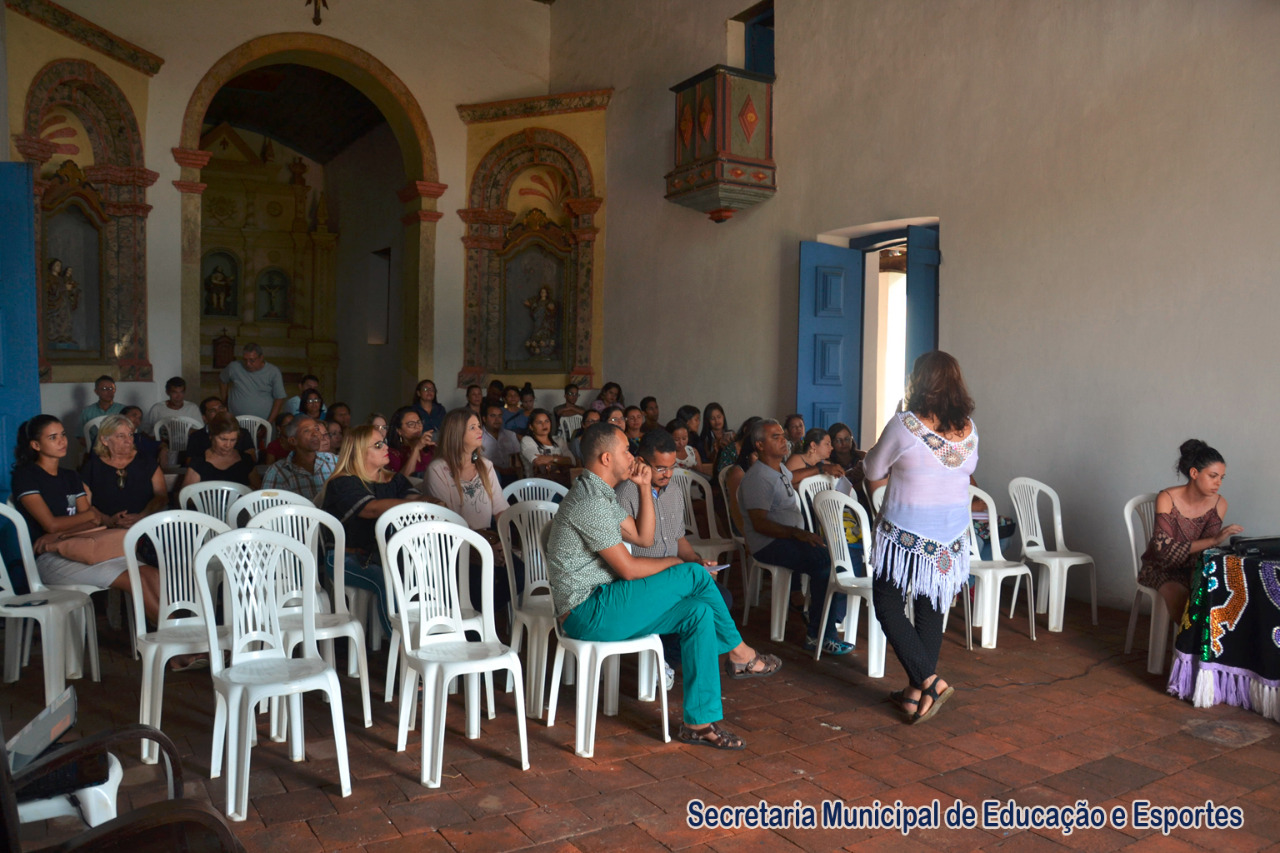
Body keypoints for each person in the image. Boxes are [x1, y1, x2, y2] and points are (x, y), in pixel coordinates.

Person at [546, 422, 780, 751]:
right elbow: (628, 569)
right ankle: (741, 653)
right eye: (627, 450)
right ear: (606, 457)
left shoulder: (601, 494)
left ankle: (698, 723)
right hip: (588, 611)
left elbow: (644, 537)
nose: (632, 456)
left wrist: (643, 487)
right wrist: (682, 565)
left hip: (608, 603)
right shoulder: (589, 501)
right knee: (694, 574)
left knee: (697, 613)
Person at [863, 350, 977, 725]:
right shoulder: (970, 431)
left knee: (887, 604)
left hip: (906, 533)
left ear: (919, 382)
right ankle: (914, 695)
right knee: (931, 608)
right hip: (951, 535)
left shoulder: (905, 425)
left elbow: (873, 467)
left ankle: (929, 681)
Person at [10, 416, 160, 621]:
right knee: (134, 579)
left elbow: (92, 521)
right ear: (36, 445)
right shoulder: (26, 477)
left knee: (152, 574)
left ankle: (177, 637)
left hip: (84, 547)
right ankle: (178, 645)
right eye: (53, 437)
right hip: (50, 558)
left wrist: (65, 530)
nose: (62, 441)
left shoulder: (70, 476)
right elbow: (50, 524)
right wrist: (87, 516)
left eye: (63, 435)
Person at [738, 418, 850, 655]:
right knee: (823, 562)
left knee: (834, 558)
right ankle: (820, 634)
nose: (783, 440)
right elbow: (760, 524)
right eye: (775, 437)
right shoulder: (758, 477)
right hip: (769, 544)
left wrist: (820, 468)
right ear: (759, 445)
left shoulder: (779, 470)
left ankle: (822, 627)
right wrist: (797, 533)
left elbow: (794, 477)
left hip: (786, 538)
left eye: (782, 435)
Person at [321, 425, 432, 638]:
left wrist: (433, 502)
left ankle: (430, 633)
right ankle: (402, 644)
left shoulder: (394, 478)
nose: (386, 447)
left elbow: (414, 499)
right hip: (346, 557)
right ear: (359, 452)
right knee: (387, 580)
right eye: (378, 445)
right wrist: (416, 505)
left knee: (423, 571)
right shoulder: (343, 482)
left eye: (385, 442)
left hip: (383, 556)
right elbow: (371, 509)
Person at [1139, 439, 1242, 624]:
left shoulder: (1219, 503)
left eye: (1221, 477)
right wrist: (1214, 540)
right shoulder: (1167, 497)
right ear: (1194, 473)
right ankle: (1188, 651)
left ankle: (1211, 649)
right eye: (1213, 476)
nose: (1218, 482)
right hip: (1159, 568)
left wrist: (1199, 576)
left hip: (1194, 568)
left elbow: (1202, 554)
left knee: (1225, 594)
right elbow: (1163, 552)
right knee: (1179, 594)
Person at [80, 414, 167, 528]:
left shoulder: (147, 462)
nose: (129, 441)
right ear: (104, 440)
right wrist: (107, 520)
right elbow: (85, 504)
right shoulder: (92, 467)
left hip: (144, 525)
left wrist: (142, 516)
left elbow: (162, 496)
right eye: (121, 436)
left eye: (130, 435)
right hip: (105, 529)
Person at [262, 417, 336, 501]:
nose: (315, 433)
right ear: (293, 441)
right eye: (306, 430)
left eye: (316, 428)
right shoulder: (277, 473)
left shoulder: (332, 460)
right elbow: (269, 509)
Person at [181, 413, 261, 490]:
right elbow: (186, 497)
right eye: (223, 439)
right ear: (211, 436)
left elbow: (259, 492)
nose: (228, 445)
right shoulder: (199, 462)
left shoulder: (246, 460)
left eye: (233, 440)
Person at [219, 342, 286, 422]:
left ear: (261, 358)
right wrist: (225, 401)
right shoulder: (234, 367)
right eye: (245, 360)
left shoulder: (273, 372)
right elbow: (222, 380)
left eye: (252, 360)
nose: (248, 364)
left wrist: (269, 423)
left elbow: (279, 398)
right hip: (236, 422)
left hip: (263, 422)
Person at [186, 396, 256, 462]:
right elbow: (190, 462)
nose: (219, 412)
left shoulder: (242, 433)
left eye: (221, 408)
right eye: (213, 411)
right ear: (205, 418)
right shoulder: (196, 437)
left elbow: (251, 459)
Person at [520, 409, 573, 478]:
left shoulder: (558, 440)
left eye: (547, 421)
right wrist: (561, 460)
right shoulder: (527, 440)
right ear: (531, 427)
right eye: (539, 422)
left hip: (561, 481)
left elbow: (572, 461)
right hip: (536, 484)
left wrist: (551, 458)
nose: (544, 425)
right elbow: (538, 462)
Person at [480, 400, 522, 483]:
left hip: (511, 475)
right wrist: (500, 470)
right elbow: (479, 462)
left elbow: (518, 459)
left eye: (499, 416)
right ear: (484, 419)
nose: (497, 419)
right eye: (493, 416)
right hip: (488, 477)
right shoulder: (478, 437)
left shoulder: (510, 435)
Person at [387, 405, 434, 478]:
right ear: (399, 431)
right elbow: (402, 480)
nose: (417, 426)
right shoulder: (393, 453)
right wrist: (416, 448)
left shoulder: (429, 448)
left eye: (419, 422)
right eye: (411, 424)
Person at [80, 375, 125, 445]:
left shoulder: (123, 410)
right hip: (95, 450)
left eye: (111, 388)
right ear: (96, 391)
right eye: (104, 389)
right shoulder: (87, 412)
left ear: (115, 390)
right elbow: (81, 437)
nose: (108, 392)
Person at [700, 403, 733, 470]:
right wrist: (716, 450)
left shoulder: (730, 434)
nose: (717, 421)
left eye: (719, 417)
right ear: (708, 421)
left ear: (723, 417)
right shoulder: (704, 439)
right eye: (712, 418)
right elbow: (707, 461)